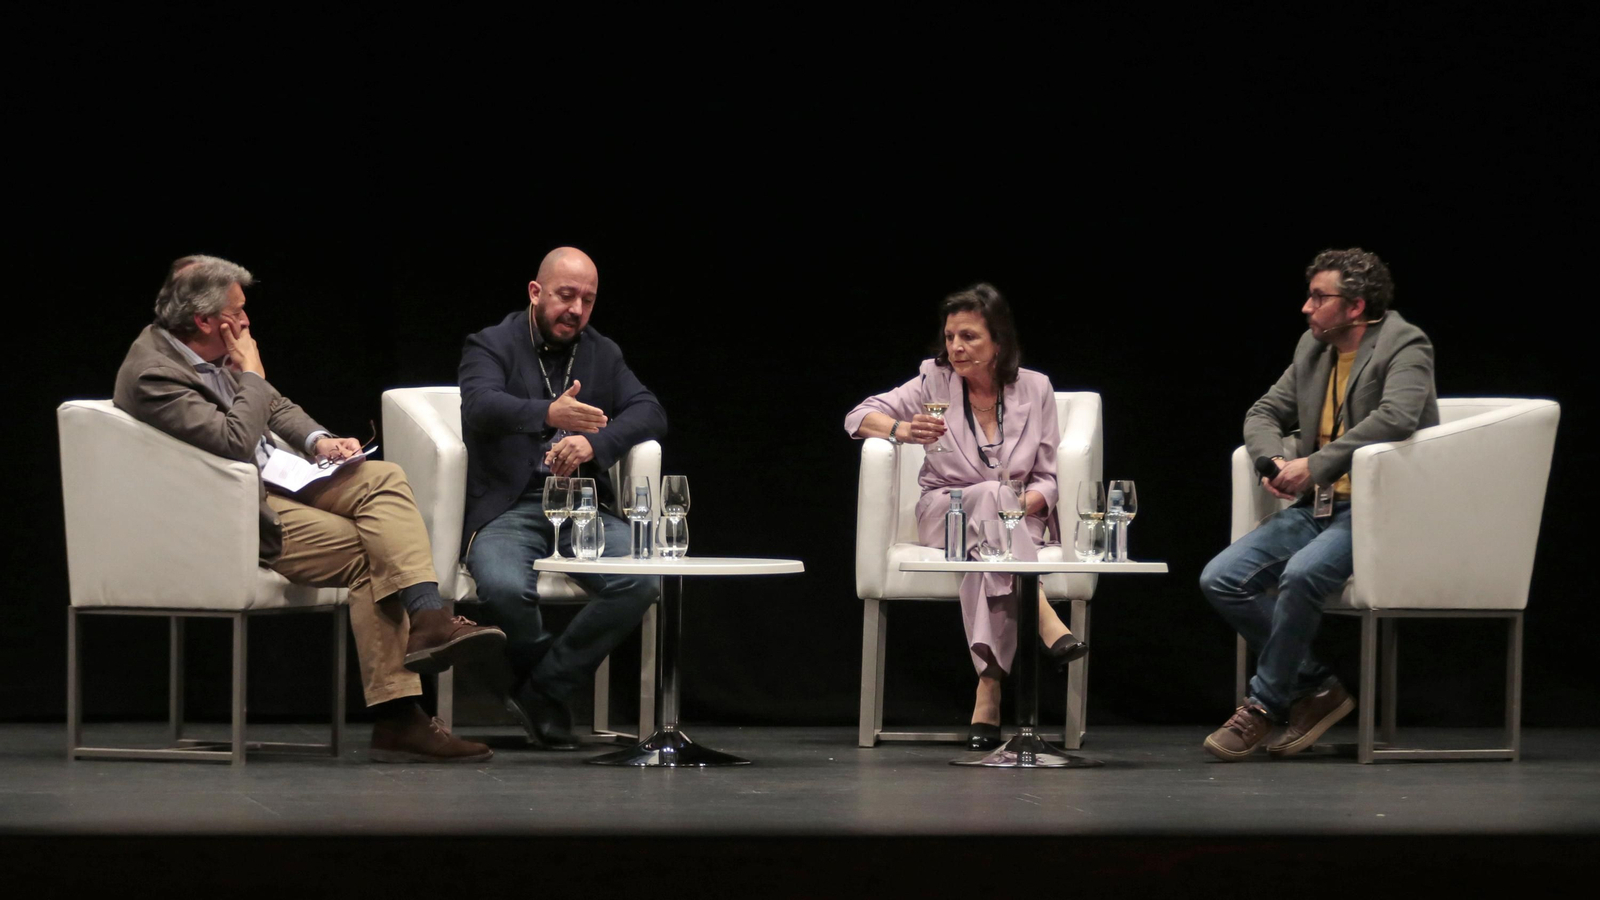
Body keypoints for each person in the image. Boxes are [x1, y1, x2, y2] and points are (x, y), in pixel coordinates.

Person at [114, 255, 506, 763]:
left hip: (279, 478)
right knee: (375, 552)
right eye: (240, 311)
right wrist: (251, 373)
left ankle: (428, 618)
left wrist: (319, 442)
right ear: (207, 321)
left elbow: (274, 407)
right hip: (232, 511)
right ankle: (399, 716)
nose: (248, 321)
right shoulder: (152, 373)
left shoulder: (208, 350)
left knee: (385, 478)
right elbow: (235, 441)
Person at [1199, 248, 1438, 761]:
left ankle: (1262, 708)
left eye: (1318, 297)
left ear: (1355, 306)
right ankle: (1317, 687)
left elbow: (1398, 416)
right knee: (1221, 578)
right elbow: (1265, 411)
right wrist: (1271, 464)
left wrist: (1318, 463)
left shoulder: (1404, 343)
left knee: (1302, 575)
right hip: (1322, 507)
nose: (1307, 308)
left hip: (1380, 512)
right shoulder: (1313, 349)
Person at [845, 283, 1082, 751]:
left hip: (1015, 522)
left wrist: (1016, 506)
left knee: (985, 552)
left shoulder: (1035, 388)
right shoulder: (931, 382)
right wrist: (903, 430)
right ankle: (1044, 618)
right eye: (951, 336)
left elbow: (1049, 479)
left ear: (999, 342)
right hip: (943, 513)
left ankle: (988, 688)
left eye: (969, 336)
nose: (955, 347)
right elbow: (857, 417)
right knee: (989, 501)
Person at [459, 246, 667, 749]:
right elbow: (481, 405)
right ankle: (546, 695)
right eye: (565, 295)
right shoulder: (490, 344)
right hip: (512, 505)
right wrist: (550, 416)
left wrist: (594, 443)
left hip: (580, 505)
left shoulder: (601, 352)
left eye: (587, 300)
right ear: (536, 292)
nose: (576, 309)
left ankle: (542, 691)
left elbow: (649, 411)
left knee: (642, 582)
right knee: (506, 590)